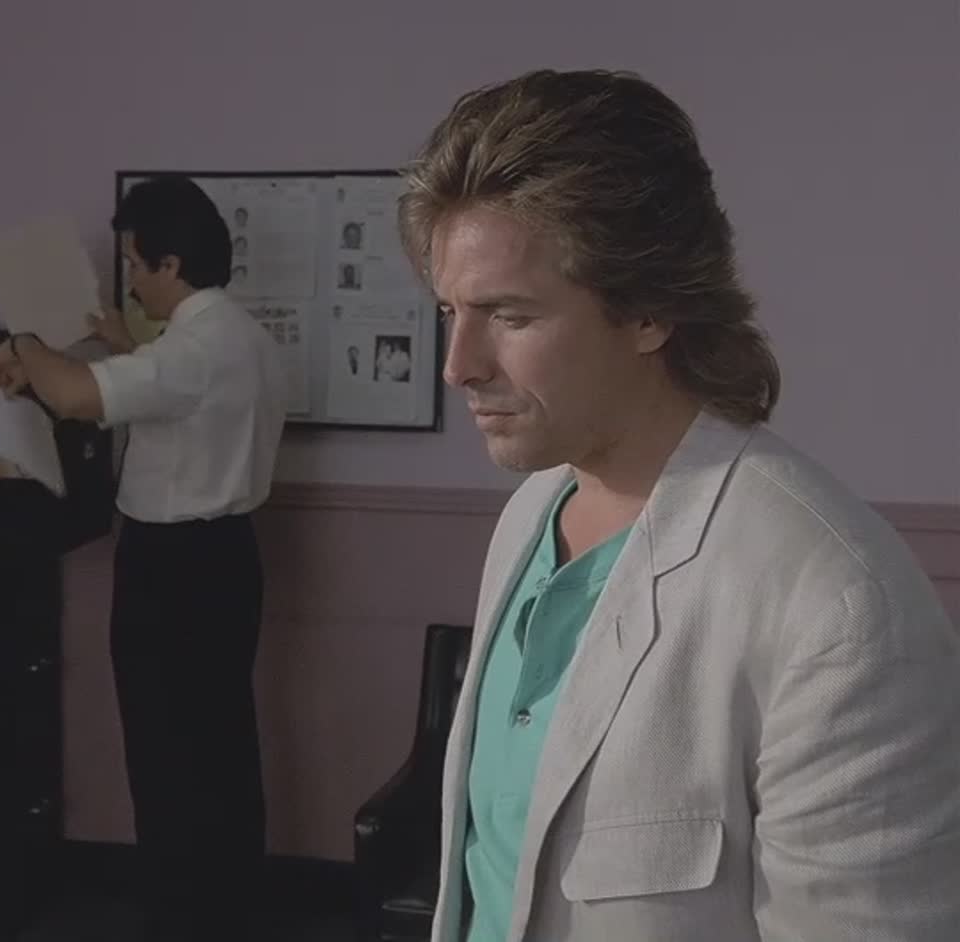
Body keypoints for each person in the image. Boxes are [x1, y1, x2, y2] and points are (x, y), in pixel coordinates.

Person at [398, 68, 960, 942]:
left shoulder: (839, 608)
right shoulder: (529, 515)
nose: (458, 365)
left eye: (508, 315)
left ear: (650, 310)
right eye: (448, 311)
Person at [0, 175, 287, 941]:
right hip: (227, 557)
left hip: (173, 567)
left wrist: (25, 342)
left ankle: (183, 919)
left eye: (138, 266)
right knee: (218, 743)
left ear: (171, 265)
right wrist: (118, 344)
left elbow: (77, 398)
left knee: (166, 751)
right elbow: (172, 395)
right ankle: (227, 912)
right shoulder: (239, 337)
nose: (133, 282)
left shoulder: (194, 351)